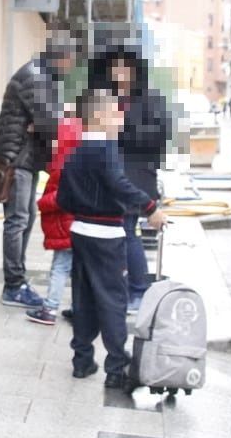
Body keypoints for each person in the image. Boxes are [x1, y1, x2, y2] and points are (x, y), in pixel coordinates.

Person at [57, 89, 168, 388]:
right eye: (117, 113)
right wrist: (150, 207)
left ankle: (82, 361)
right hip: (107, 235)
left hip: (80, 232)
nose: (121, 118)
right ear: (101, 116)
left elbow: (63, 196)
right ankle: (117, 368)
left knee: (84, 298)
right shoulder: (106, 150)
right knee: (112, 300)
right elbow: (118, 184)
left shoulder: (76, 152)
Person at [0, 30, 80, 309]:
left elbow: (49, 121)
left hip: (25, 160)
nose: (73, 66)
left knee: (25, 219)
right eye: (72, 60)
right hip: (16, 160)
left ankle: (17, 280)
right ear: (61, 57)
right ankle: (13, 285)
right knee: (17, 221)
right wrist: (57, 122)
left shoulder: (45, 77)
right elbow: (52, 124)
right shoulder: (36, 77)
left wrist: (52, 120)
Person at [90, 44, 171, 309]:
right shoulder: (103, 96)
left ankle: (138, 289)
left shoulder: (150, 98)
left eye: (126, 67)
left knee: (127, 230)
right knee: (112, 233)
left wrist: (120, 129)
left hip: (136, 174)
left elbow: (159, 136)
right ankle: (120, 289)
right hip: (106, 174)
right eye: (115, 66)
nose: (120, 72)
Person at [27, 106, 83, 327]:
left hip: (65, 226)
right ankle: (79, 310)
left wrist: (41, 203)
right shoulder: (85, 164)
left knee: (60, 267)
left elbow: (59, 199)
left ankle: (49, 308)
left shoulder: (62, 170)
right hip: (82, 226)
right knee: (79, 269)